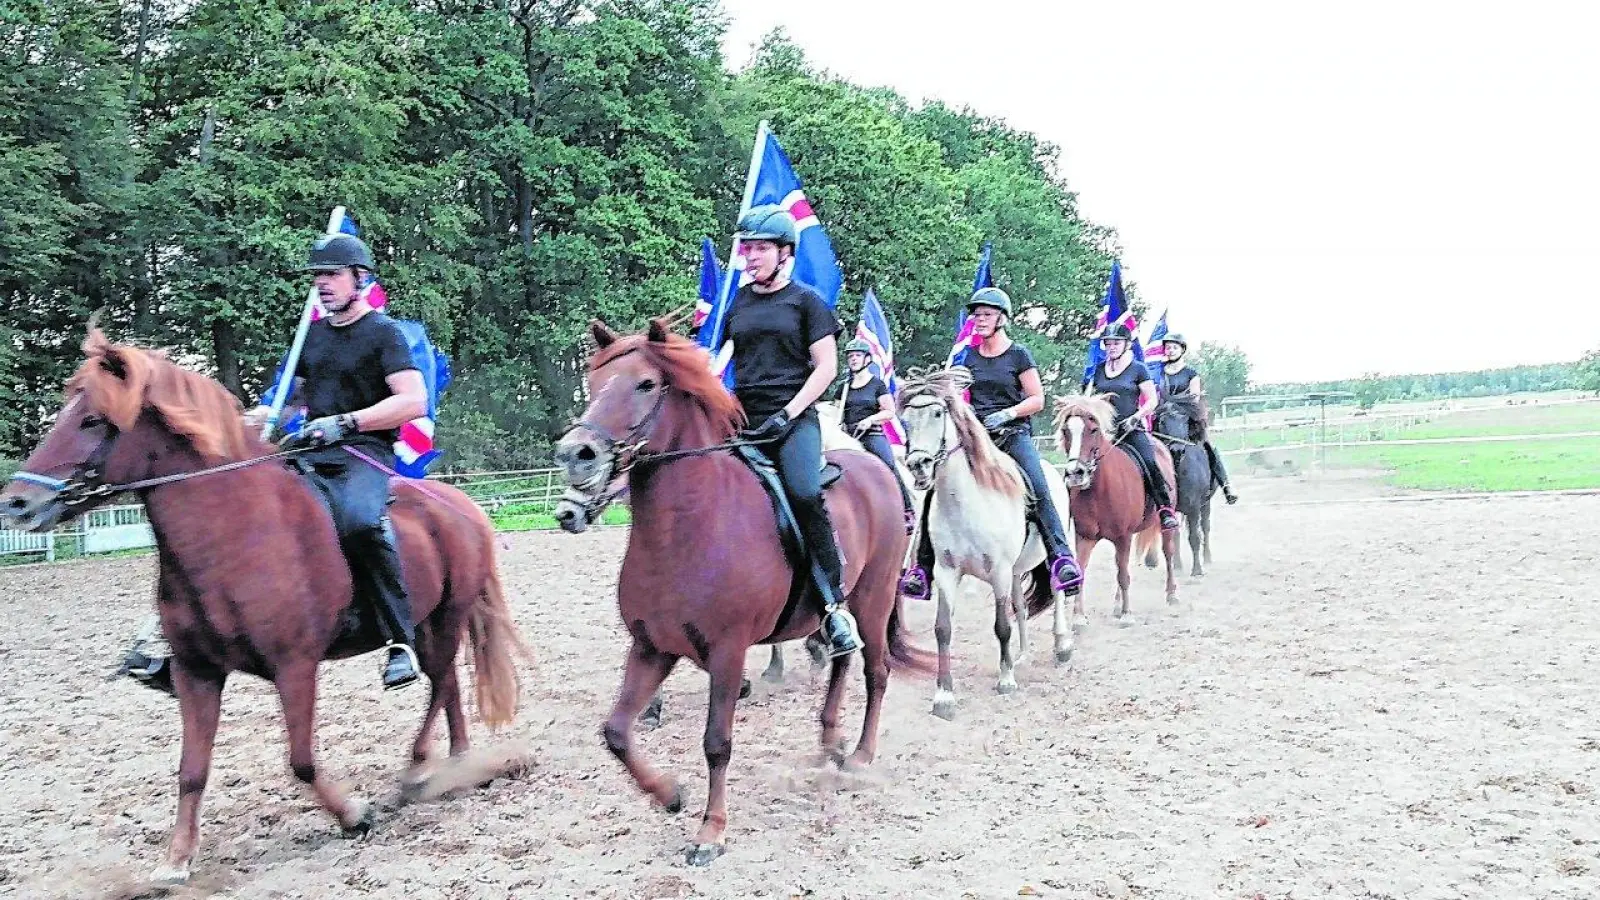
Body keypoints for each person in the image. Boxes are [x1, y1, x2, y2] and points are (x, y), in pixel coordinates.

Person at [115, 232, 430, 694]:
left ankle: (400, 641)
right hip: (309, 451)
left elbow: (412, 401)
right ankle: (181, 642)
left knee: (361, 522)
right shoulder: (314, 335)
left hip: (363, 453)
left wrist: (347, 422)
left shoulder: (384, 335)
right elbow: (292, 400)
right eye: (317, 276)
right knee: (234, 517)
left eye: (332, 274)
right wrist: (258, 418)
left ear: (360, 279)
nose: (322, 284)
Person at [723, 204, 863, 659]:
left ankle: (832, 604)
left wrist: (789, 412)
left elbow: (827, 367)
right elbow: (719, 360)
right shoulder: (738, 302)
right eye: (747, 248)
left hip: (792, 420)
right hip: (742, 418)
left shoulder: (807, 303)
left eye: (760, 248)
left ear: (785, 253)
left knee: (803, 492)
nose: (750, 256)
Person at [898, 287, 1084, 600]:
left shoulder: (1018, 355)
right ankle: (923, 569)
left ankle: (1061, 559)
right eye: (976, 314)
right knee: (935, 490)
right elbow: (955, 396)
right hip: (974, 437)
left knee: (1038, 487)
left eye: (986, 314)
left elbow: (1037, 399)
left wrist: (1007, 413)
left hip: (1012, 435)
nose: (979, 319)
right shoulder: (966, 356)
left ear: (1001, 318)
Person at [1082, 322, 1180, 531]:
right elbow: (1089, 399)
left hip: (1129, 428)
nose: (1111, 347)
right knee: (1078, 461)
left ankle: (1164, 509)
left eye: (1116, 343)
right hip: (1103, 432)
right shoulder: (1098, 370)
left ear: (1127, 344)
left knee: (1150, 461)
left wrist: (1137, 417)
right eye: (1108, 343)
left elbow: (1152, 400)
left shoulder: (1138, 369)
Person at [835, 338, 917, 534]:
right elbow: (836, 411)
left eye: (857, 355)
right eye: (850, 356)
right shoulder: (843, 387)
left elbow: (889, 411)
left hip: (871, 434)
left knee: (888, 464)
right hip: (848, 436)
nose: (853, 359)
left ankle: (906, 510)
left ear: (867, 359)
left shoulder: (877, 385)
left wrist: (871, 420)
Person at [1157, 333, 1238, 504]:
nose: (1170, 351)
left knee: (1209, 445)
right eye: (1168, 347)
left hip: (1187, 416)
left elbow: (1193, 397)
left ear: (1182, 349)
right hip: (1163, 414)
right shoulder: (1158, 371)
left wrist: (1172, 401)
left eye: (1174, 347)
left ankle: (1226, 485)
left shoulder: (1190, 373)